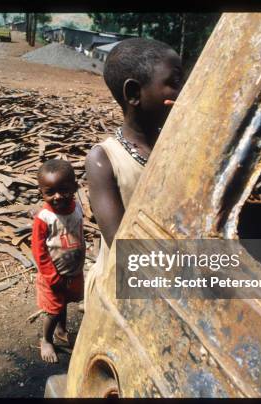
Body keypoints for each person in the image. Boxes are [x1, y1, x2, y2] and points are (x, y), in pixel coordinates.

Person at [83, 38, 183, 306]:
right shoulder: (104, 158)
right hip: (125, 289)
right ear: (134, 94)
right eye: (174, 83)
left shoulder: (177, 146)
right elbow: (121, 243)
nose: (182, 92)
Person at [31, 159, 85, 363]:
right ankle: (46, 339)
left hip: (73, 271)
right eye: (50, 192)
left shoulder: (77, 208)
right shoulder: (44, 218)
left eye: (63, 190)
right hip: (52, 275)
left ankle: (62, 332)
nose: (57, 196)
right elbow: (39, 251)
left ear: (74, 186)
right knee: (53, 311)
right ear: (41, 193)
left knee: (65, 303)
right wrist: (52, 276)